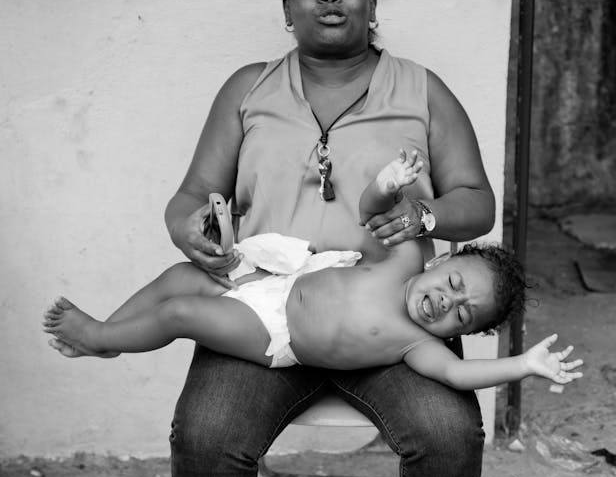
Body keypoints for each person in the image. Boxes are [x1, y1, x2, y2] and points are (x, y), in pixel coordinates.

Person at [57, 0, 559, 477]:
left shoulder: (421, 90)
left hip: (389, 317)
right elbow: (190, 195)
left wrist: (425, 213)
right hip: (269, 307)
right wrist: (192, 229)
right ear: (285, 5)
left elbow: (476, 201)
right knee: (206, 432)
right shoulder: (249, 89)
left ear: (371, 1)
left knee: (449, 433)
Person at [44, 150, 584, 395]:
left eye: (462, 316)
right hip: (275, 286)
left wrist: (523, 365)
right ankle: (111, 336)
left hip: (276, 337)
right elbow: (370, 211)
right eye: (454, 284)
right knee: (177, 278)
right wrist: (389, 182)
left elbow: (459, 376)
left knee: (183, 312)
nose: (447, 302)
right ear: (442, 258)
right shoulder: (405, 257)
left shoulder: (415, 345)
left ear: (461, 334)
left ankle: (97, 336)